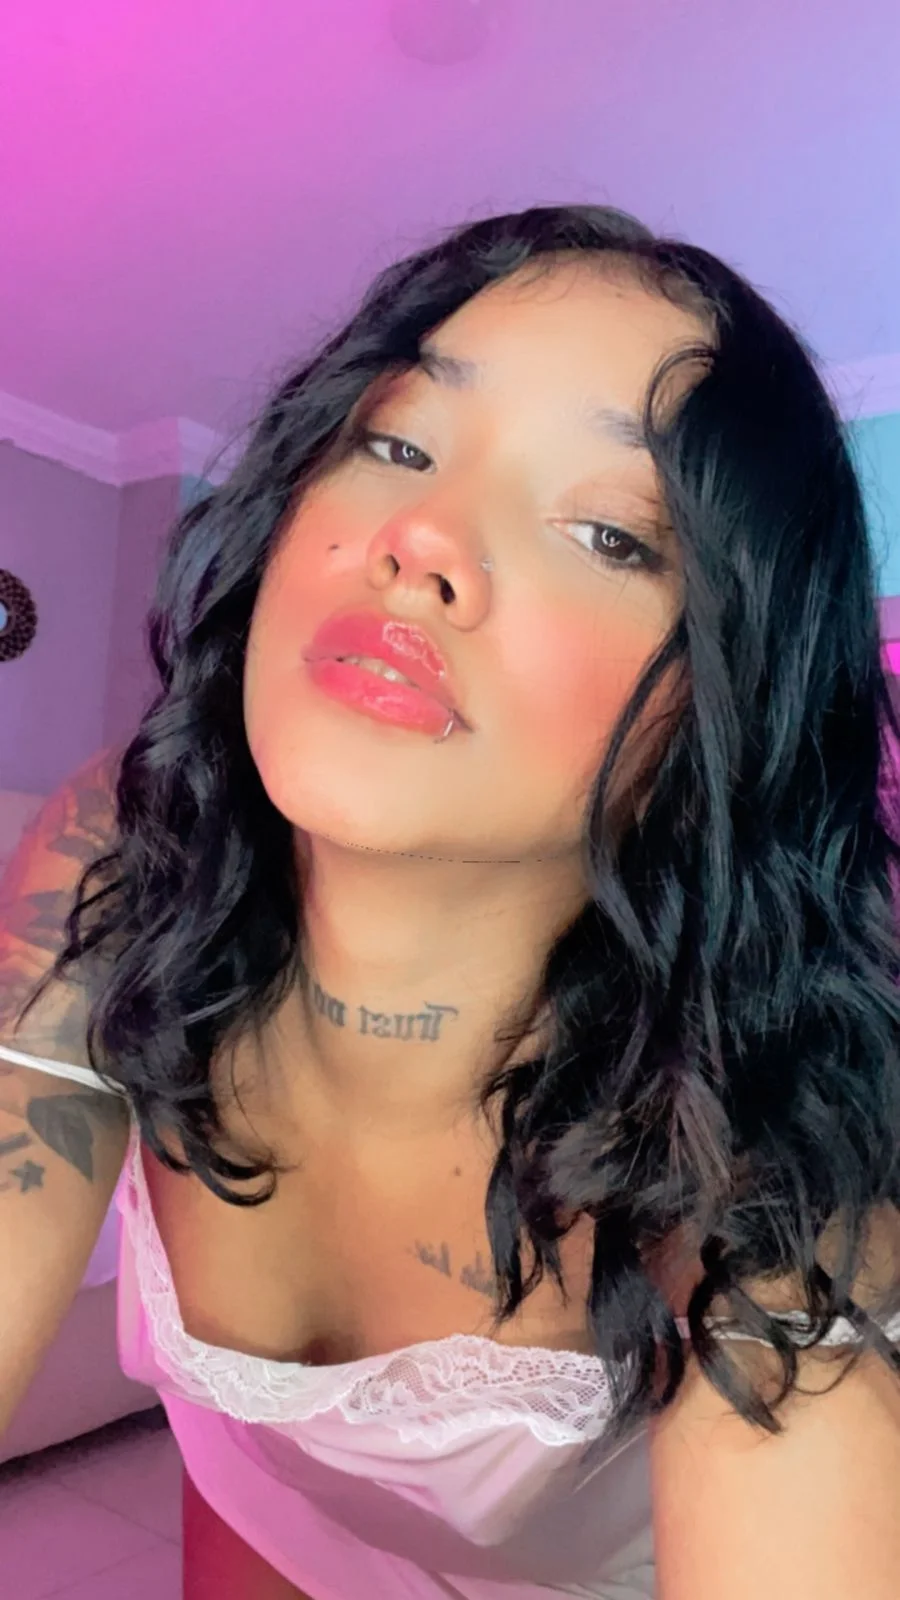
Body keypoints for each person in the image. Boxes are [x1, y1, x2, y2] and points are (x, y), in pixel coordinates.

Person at [1, 203, 899, 1600]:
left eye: (607, 533)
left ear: (718, 715)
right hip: (263, 1504)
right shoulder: (128, 842)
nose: (421, 538)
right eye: (399, 443)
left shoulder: (768, 1144)